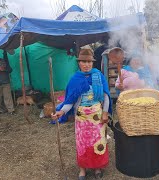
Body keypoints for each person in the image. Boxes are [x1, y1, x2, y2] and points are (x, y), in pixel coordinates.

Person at [51, 46, 112, 180]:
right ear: (79, 63)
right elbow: (70, 100)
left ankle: (97, 167)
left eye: (89, 62)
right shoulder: (75, 79)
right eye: (83, 62)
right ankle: (82, 169)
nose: (86, 65)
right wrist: (61, 111)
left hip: (97, 116)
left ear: (93, 63)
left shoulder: (98, 75)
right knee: (82, 143)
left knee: (98, 141)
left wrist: (105, 112)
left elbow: (106, 95)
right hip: (82, 117)